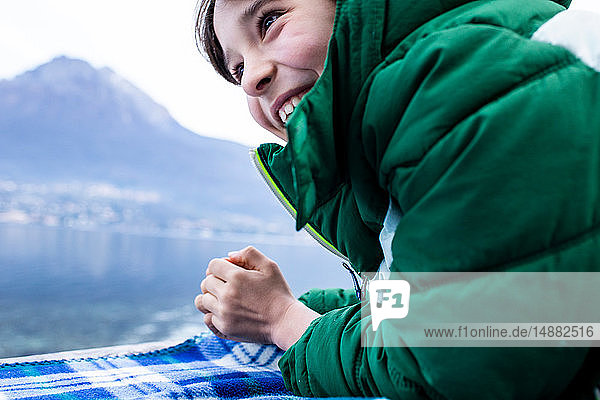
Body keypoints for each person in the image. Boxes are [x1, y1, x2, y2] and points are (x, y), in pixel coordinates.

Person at [193, 0, 600, 398]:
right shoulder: (402, 116)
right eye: (238, 68)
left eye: (270, 21)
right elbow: (459, 295)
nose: (250, 81)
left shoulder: (462, 81)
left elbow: (468, 356)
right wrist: (299, 305)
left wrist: (283, 320)